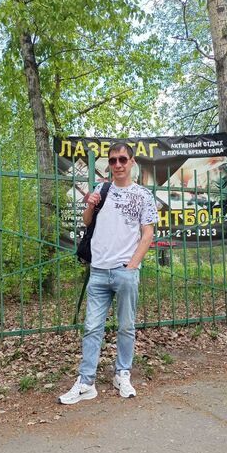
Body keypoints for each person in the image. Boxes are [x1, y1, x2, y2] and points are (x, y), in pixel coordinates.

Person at [59, 142, 158, 404]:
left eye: (122, 159)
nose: (117, 165)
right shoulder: (101, 189)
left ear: (132, 162)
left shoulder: (143, 195)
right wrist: (90, 205)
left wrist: (133, 265)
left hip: (125, 271)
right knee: (92, 327)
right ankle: (86, 382)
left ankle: (122, 374)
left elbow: (148, 233)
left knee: (126, 327)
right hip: (99, 271)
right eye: (113, 160)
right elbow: (87, 222)